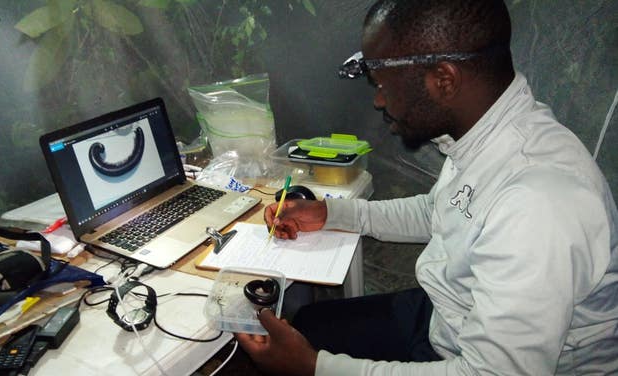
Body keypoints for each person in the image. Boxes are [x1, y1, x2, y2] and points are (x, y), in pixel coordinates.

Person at [234, 0, 618, 375]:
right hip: (451, 315)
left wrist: (313, 367)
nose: (379, 100)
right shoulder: (486, 134)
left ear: (444, 80)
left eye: (382, 84)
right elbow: (436, 211)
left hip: (475, 356)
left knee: (300, 350)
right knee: (308, 323)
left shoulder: (540, 205)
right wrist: (332, 213)